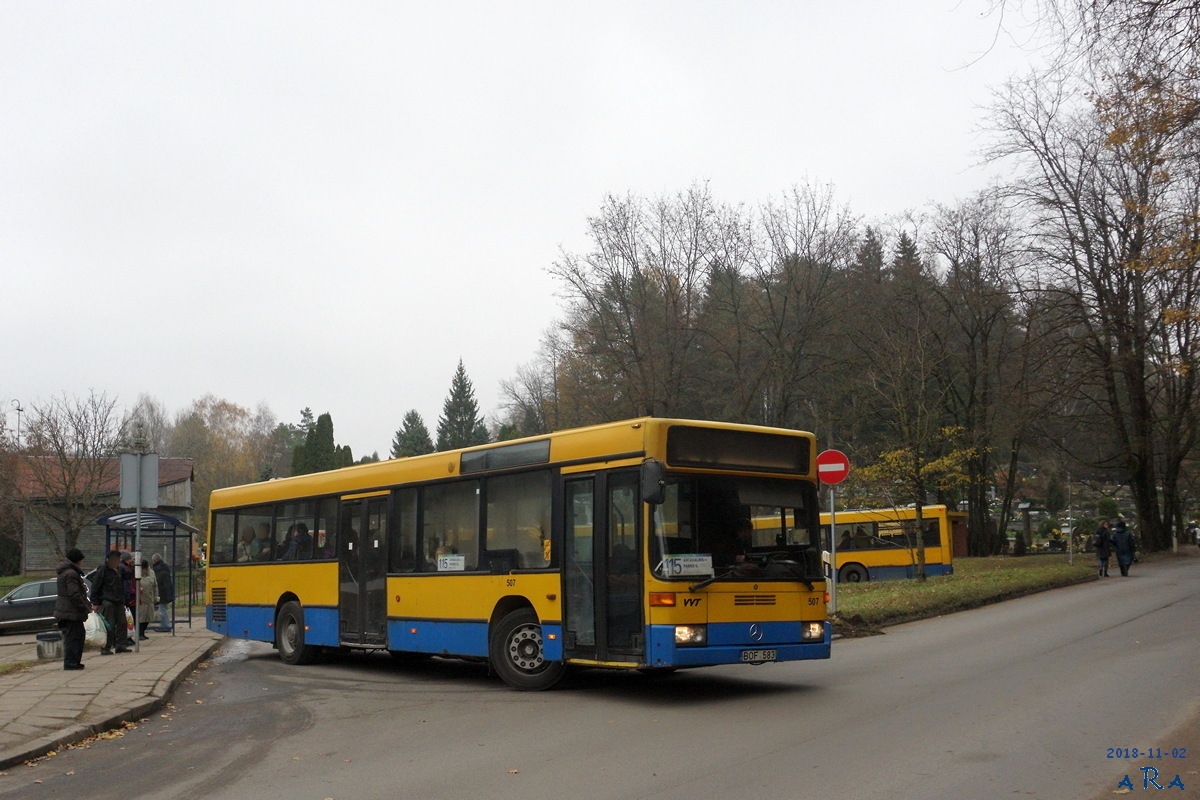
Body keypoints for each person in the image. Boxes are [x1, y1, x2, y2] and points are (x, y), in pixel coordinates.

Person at [54, 548, 91, 670]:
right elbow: (74, 594)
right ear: (78, 560)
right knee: (74, 637)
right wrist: (84, 607)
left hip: (67, 610)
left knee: (76, 636)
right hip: (71, 611)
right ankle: (71, 662)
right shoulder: (71, 574)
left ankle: (74, 661)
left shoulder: (65, 572)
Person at [89, 550, 131, 654]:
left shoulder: (120, 569)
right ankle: (106, 647)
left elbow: (129, 575)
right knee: (109, 624)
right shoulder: (103, 569)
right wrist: (95, 602)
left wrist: (134, 565)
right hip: (108, 600)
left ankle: (121, 645)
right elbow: (96, 585)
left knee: (122, 623)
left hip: (118, 600)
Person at [151, 553, 174, 632]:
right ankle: (164, 625)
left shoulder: (157, 570)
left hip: (161, 593)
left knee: (162, 610)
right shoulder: (164, 567)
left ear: (154, 560)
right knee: (163, 609)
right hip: (165, 593)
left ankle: (166, 625)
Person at [137, 558, 158, 640]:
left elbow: (155, 585)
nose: (144, 570)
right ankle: (139, 633)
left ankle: (142, 632)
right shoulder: (137, 574)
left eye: (145, 569)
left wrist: (156, 597)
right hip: (141, 599)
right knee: (141, 617)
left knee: (148, 617)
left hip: (150, 598)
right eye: (143, 569)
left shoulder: (152, 573)